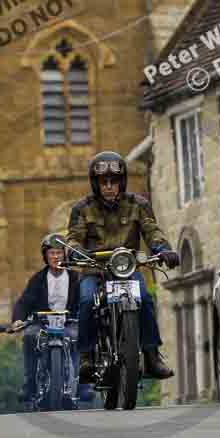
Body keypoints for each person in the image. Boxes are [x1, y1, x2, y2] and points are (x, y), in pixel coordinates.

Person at [66, 151, 180, 380]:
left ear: (122, 181)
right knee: (87, 301)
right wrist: (74, 250)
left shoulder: (138, 204)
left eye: (114, 181)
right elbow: (73, 236)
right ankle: (87, 357)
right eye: (103, 182)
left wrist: (163, 249)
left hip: (126, 271)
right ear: (96, 183)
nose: (109, 186)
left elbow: (152, 230)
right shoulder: (82, 208)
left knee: (146, 299)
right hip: (94, 270)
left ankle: (151, 356)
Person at [11, 233, 80, 408]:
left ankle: (83, 385)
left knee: (79, 337)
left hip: (69, 322)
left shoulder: (76, 278)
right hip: (42, 323)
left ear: (65, 254)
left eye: (59, 253)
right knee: (29, 336)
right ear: (45, 256)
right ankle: (30, 384)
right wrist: (18, 319)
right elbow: (25, 301)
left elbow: (83, 302)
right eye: (52, 253)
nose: (56, 257)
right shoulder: (38, 279)